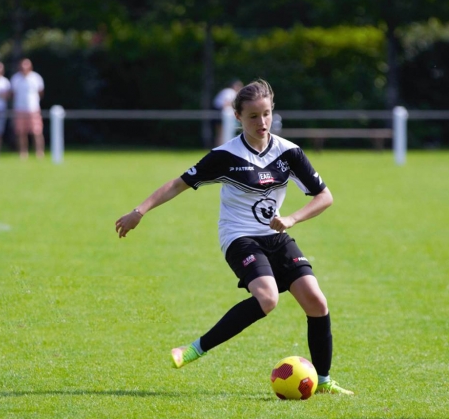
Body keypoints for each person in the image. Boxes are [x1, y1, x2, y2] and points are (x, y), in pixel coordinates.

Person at [115, 79, 353, 395]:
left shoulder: (289, 153)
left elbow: (325, 196)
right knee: (268, 298)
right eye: (253, 116)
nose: (262, 122)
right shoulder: (225, 156)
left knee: (316, 301)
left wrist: (292, 218)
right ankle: (193, 349)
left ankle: (322, 381)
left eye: (266, 114)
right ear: (237, 116)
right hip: (240, 237)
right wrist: (139, 211)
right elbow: (177, 184)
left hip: (276, 235)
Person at [10, 58, 45, 160]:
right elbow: (13, 94)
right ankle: (23, 153)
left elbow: (41, 93)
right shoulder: (15, 78)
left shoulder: (36, 78)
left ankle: (39, 152)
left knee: (37, 132)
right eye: (22, 65)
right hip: (19, 109)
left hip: (34, 109)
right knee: (21, 132)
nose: (24, 67)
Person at [213, 79, 243, 146]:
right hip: (221, 112)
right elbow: (226, 104)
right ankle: (221, 146)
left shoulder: (226, 91)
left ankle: (219, 146)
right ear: (235, 86)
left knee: (220, 132)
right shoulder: (230, 92)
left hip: (217, 111)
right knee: (222, 132)